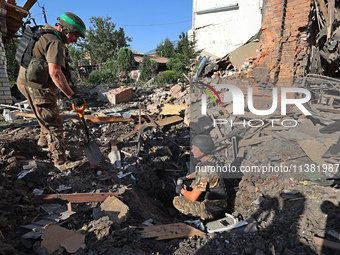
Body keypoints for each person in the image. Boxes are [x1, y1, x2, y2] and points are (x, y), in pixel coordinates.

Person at [17, 12, 86, 171]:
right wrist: (72, 96)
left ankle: (43, 142)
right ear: (66, 30)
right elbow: (55, 74)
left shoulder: (43, 32)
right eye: (76, 35)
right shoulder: (55, 42)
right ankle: (61, 162)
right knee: (54, 122)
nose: (76, 40)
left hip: (24, 82)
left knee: (42, 114)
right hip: (39, 88)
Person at [173, 134, 228, 220]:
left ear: (202, 151)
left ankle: (201, 218)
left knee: (177, 201)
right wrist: (187, 177)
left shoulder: (204, 170)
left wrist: (181, 190)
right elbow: (200, 172)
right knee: (192, 185)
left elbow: (192, 197)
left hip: (211, 210)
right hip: (221, 203)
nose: (192, 151)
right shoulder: (212, 160)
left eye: (194, 149)